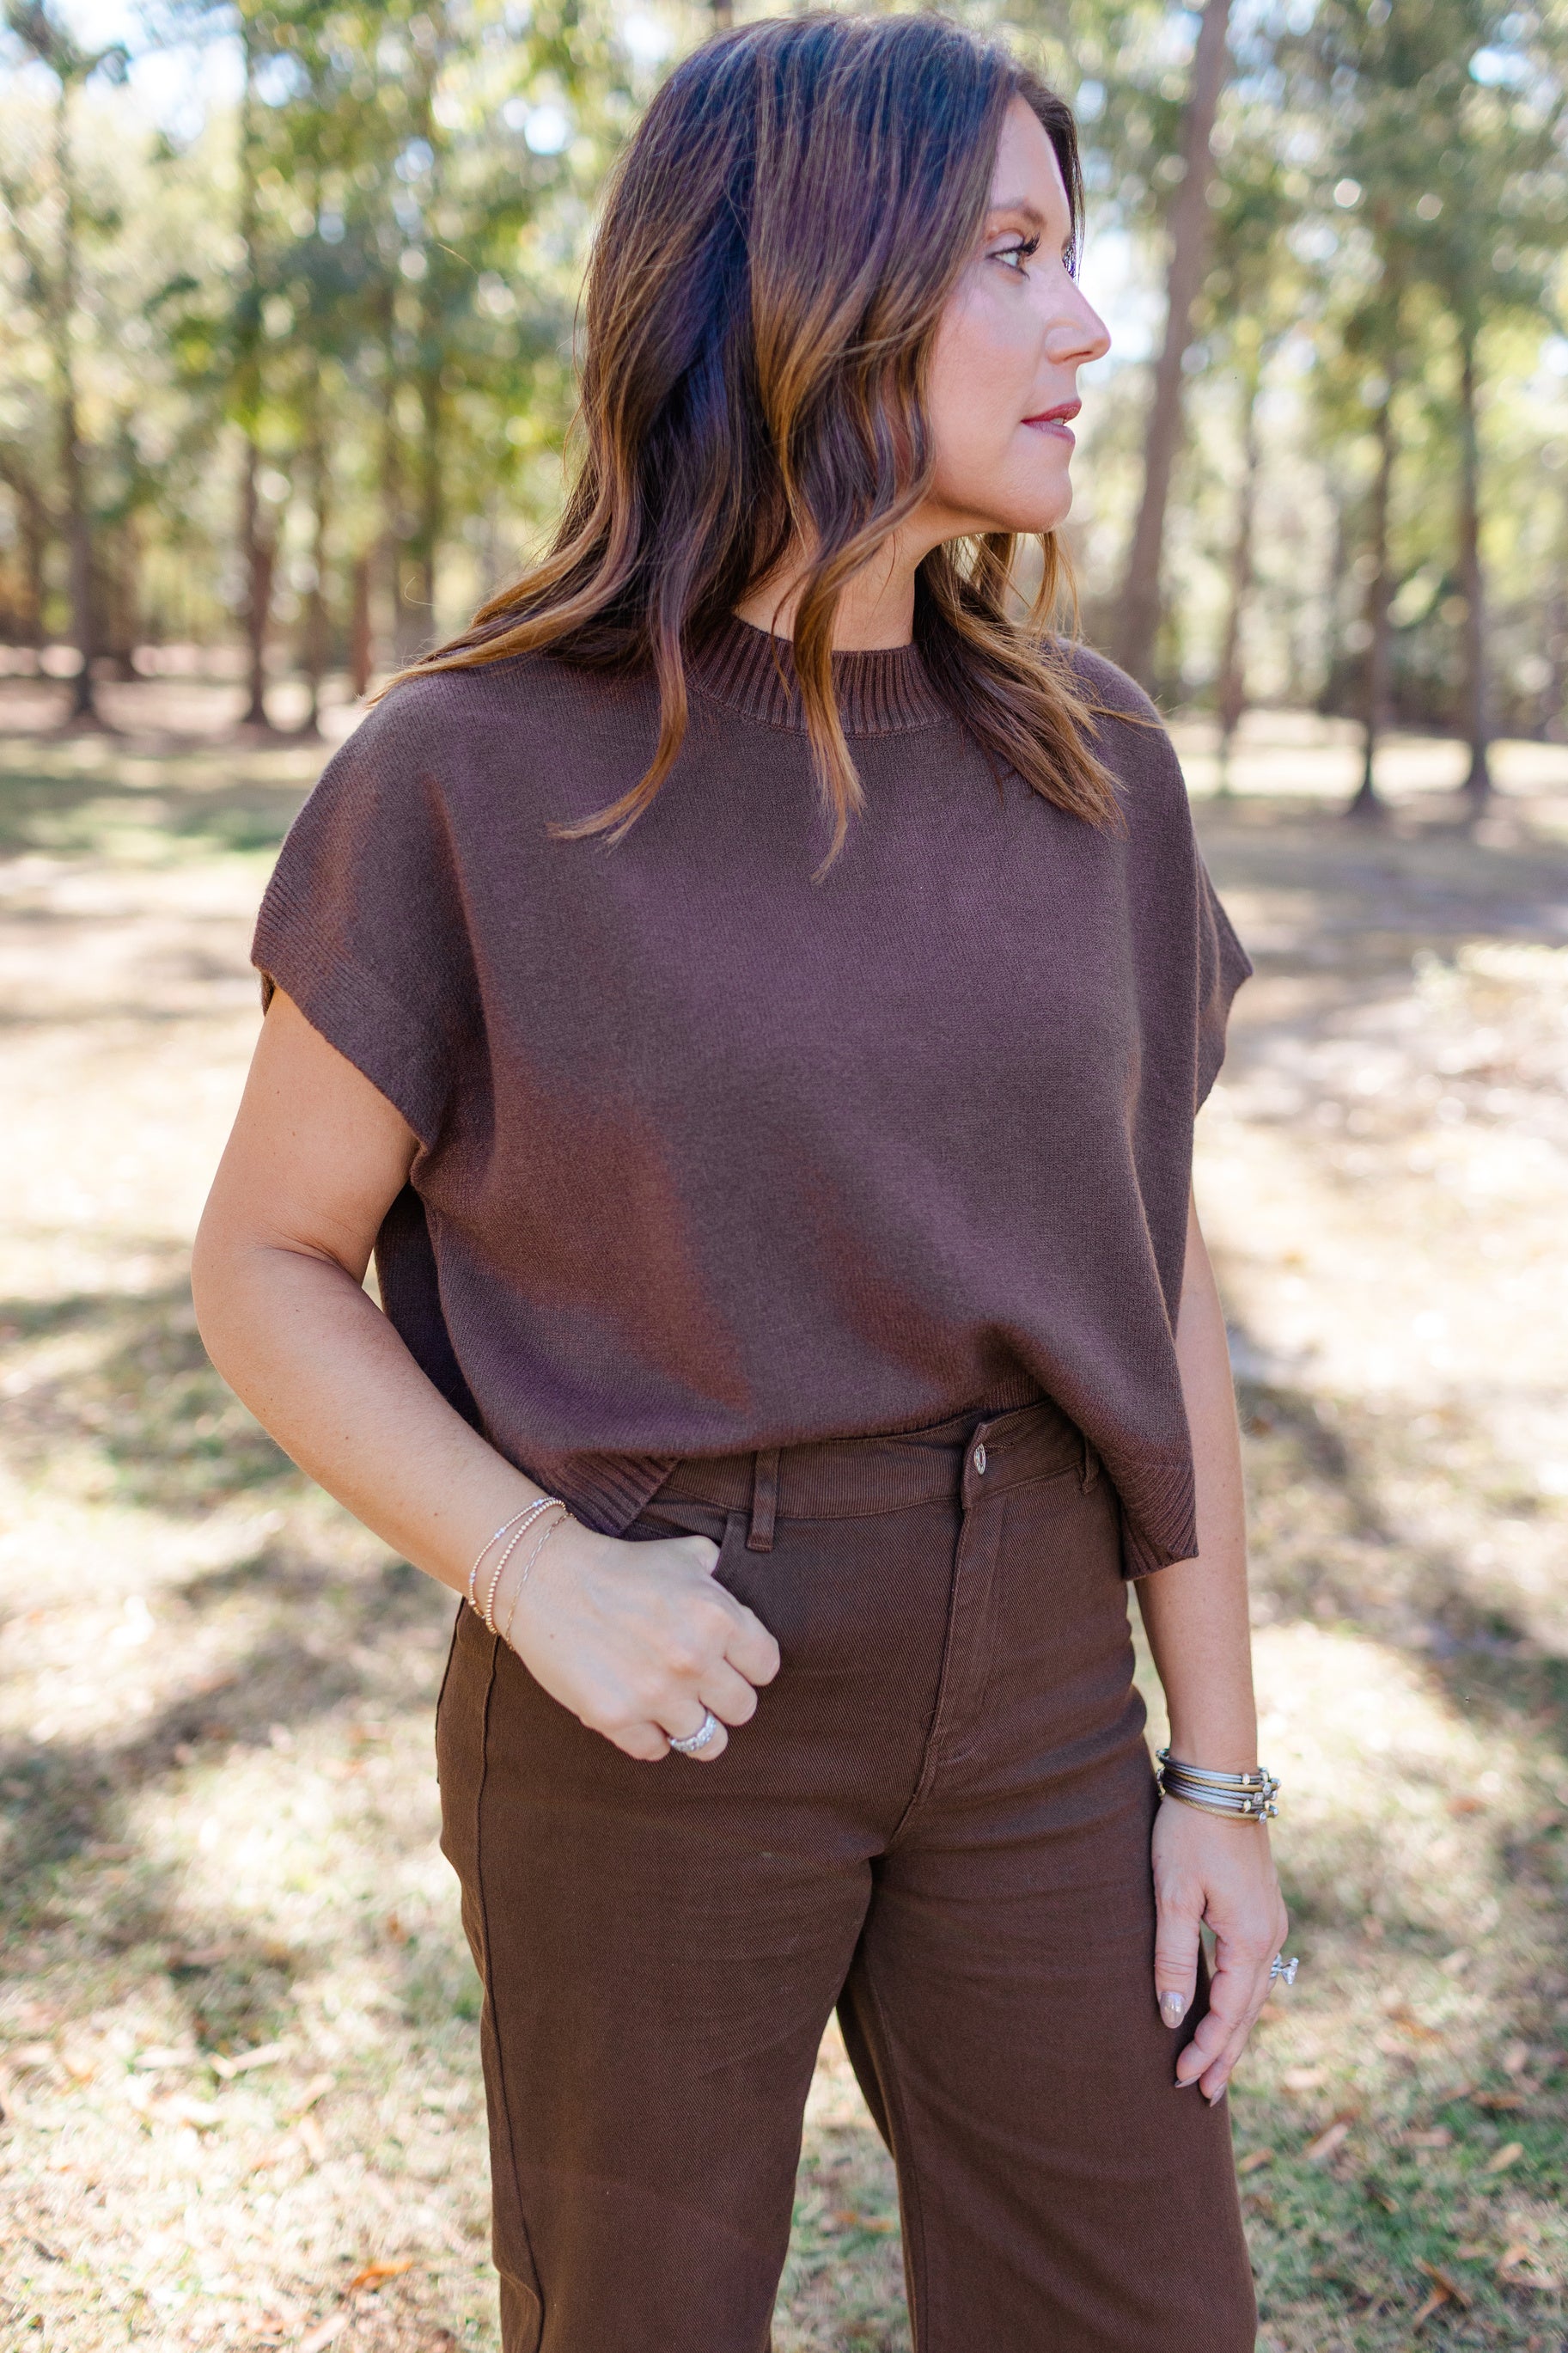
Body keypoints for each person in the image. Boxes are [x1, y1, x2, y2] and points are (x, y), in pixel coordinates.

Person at [192, 13, 1290, 2350]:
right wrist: (536, 1575)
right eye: (1014, 255)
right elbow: (267, 1259)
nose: (1088, 323)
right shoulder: (470, 769)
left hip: (1039, 1675)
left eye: (1073, 251)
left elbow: (1155, 1276)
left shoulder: (1099, 761)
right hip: (653, 1687)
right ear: (808, 285)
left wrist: (1217, 1772)